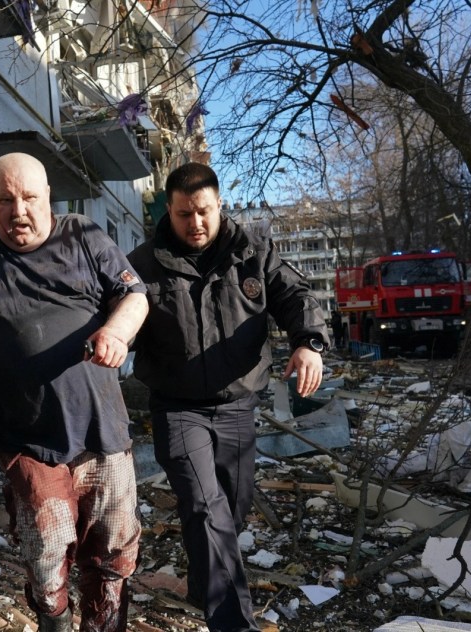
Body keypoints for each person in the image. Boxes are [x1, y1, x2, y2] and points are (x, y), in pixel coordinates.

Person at [0, 152, 149, 632]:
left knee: (113, 552)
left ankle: (105, 625)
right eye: (4, 200)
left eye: (29, 197)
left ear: (48, 195)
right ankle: (54, 620)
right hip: (27, 439)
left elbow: (134, 295)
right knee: (48, 551)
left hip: (102, 432)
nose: (19, 211)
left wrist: (116, 333)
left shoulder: (85, 237)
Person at [126, 162, 329, 632]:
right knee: (204, 506)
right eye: (182, 214)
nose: (194, 224)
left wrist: (308, 342)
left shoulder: (253, 252)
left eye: (202, 212)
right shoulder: (142, 264)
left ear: (219, 205)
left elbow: (296, 297)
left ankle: (204, 583)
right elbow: (118, 316)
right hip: (178, 409)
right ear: (168, 211)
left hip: (238, 405)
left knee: (230, 512)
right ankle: (233, 623)